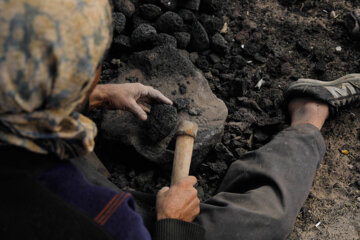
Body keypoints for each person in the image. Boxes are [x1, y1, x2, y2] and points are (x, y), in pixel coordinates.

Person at [1, 0, 359, 240]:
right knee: (264, 217)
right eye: (93, 67)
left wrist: (93, 95)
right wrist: (171, 222)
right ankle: (308, 119)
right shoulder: (105, 221)